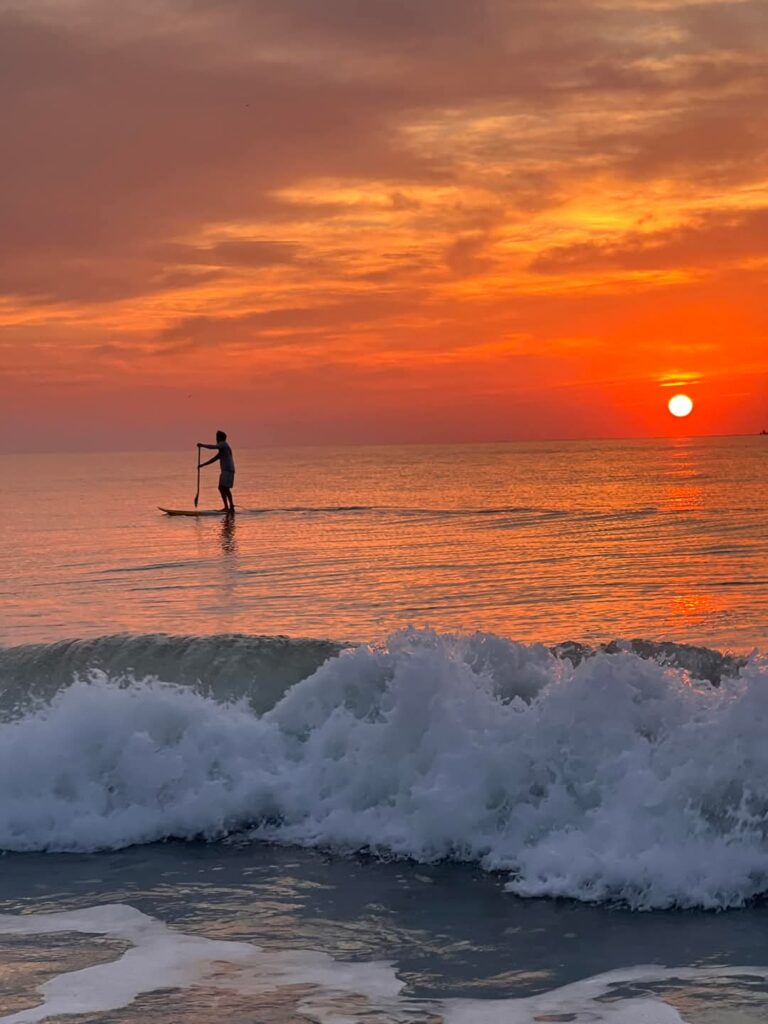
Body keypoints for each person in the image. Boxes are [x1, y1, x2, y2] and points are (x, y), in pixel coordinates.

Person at [197, 431, 236, 513]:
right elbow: (213, 459)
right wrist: (202, 465)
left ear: (220, 438)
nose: (216, 439)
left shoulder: (223, 444)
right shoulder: (222, 449)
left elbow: (213, 447)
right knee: (223, 488)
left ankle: (230, 507)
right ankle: (228, 507)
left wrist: (202, 445)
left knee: (223, 488)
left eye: (217, 437)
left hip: (228, 470)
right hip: (227, 470)